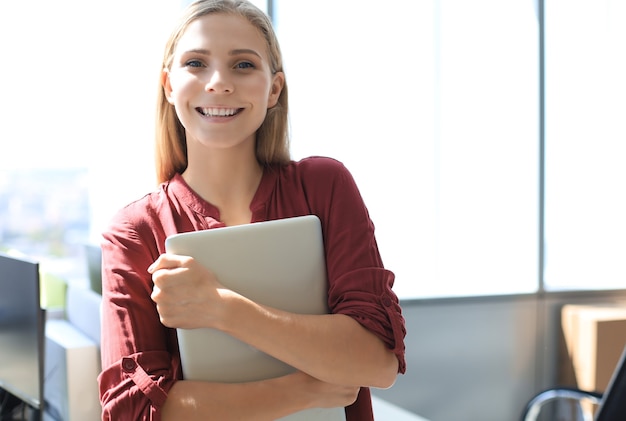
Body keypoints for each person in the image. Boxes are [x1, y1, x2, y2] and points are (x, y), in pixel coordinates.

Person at [97, 0, 406, 420]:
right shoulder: (135, 231)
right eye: (196, 63)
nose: (220, 83)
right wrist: (304, 390)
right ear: (169, 85)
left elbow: (377, 361)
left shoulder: (325, 186)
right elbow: (130, 412)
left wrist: (221, 307)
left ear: (274, 88)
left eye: (243, 65)